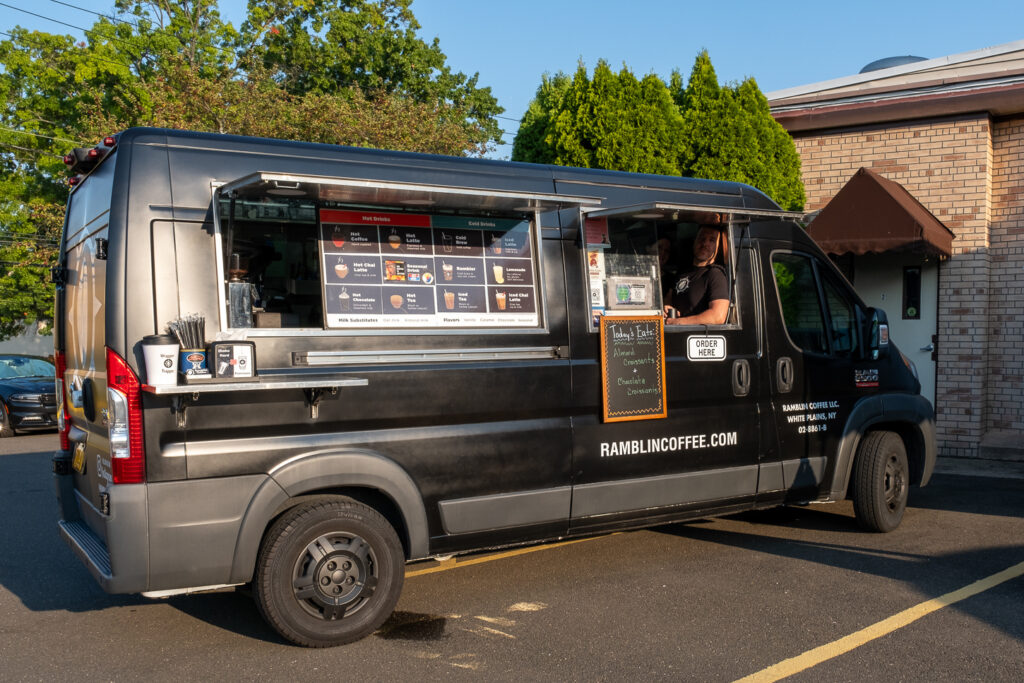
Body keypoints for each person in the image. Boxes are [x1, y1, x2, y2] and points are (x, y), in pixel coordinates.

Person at [664, 225, 729, 325]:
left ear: (718, 247)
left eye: (712, 240)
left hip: (696, 333)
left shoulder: (715, 274)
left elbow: (718, 316)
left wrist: (679, 322)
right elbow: (668, 299)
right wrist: (666, 307)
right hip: (674, 332)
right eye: (702, 238)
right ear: (694, 241)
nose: (705, 243)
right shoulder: (682, 272)